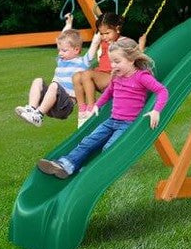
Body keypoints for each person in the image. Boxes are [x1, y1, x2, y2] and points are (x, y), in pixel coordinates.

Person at [37, 37, 168, 179]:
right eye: (111, 61)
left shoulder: (141, 77)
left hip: (128, 125)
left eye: (117, 62)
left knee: (110, 148)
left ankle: (91, 172)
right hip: (112, 121)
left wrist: (156, 110)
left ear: (131, 60)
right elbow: (109, 92)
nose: (113, 65)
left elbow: (162, 91)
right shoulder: (117, 76)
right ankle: (66, 165)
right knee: (88, 141)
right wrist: (96, 105)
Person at [15, 13, 94, 125]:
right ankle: (32, 109)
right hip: (51, 103)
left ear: (76, 50)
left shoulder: (83, 62)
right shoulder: (61, 60)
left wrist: (100, 33)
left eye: (64, 50)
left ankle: (38, 116)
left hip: (64, 106)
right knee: (38, 80)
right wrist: (69, 23)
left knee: (54, 85)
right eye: (59, 50)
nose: (60, 53)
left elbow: (94, 46)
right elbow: (62, 38)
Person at [72, 11, 123, 127]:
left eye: (107, 33)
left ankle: (92, 109)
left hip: (113, 78)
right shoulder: (104, 41)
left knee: (87, 74)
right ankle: (82, 111)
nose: (104, 37)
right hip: (102, 75)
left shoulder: (122, 42)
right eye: (101, 34)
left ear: (118, 28)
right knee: (76, 76)